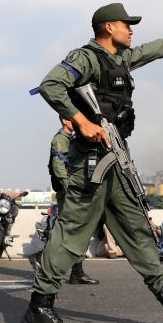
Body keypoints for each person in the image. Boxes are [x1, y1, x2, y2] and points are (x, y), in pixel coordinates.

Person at [21, 3, 163, 323]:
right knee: (71, 234)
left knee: (137, 229)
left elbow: (150, 51)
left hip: (115, 156)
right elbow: (51, 84)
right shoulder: (85, 57)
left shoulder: (120, 59)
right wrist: (81, 121)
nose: (131, 29)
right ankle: (39, 309)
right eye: (127, 24)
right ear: (108, 27)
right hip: (90, 162)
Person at [48, 117, 98, 284]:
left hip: (76, 191)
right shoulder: (61, 139)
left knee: (78, 231)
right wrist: (69, 187)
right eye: (72, 119)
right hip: (68, 193)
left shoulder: (72, 138)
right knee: (69, 231)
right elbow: (58, 166)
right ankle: (42, 259)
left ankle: (77, 272)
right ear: (64, 120)